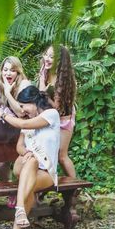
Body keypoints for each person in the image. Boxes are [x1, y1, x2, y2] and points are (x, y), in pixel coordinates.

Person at [0, 85, 59, 229]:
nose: (22, 110)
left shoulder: (51, 115)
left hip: (45, 173)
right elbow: (20, 145)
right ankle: (20, 210)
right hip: (22, 166)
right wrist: (26, 153)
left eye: (23, 106)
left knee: (31, 176)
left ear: (33, 102)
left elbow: (24, 123)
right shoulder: (28, 121)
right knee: (31, 160)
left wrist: (2, 113)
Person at [37, 45, 77, 177]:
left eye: (51, 57)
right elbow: (41, 94)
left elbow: (56, 108)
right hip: (49, 116)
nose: (47, 59)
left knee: (61, 155)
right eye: (46, 55)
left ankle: (75, 187)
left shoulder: (63, 80)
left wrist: (44, 93)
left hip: (63, 119)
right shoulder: (45, 72)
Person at [0, 57, 31, 190]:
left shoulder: (24, 85)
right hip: (6, 133)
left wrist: (8, 93)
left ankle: (28, 193)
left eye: (13, 70)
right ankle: (11, 191)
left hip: (24, 131)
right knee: (0, 164)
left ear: (18, 72)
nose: (8, 73)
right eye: (5, 70)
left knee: (23, 164)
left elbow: (21, 112)